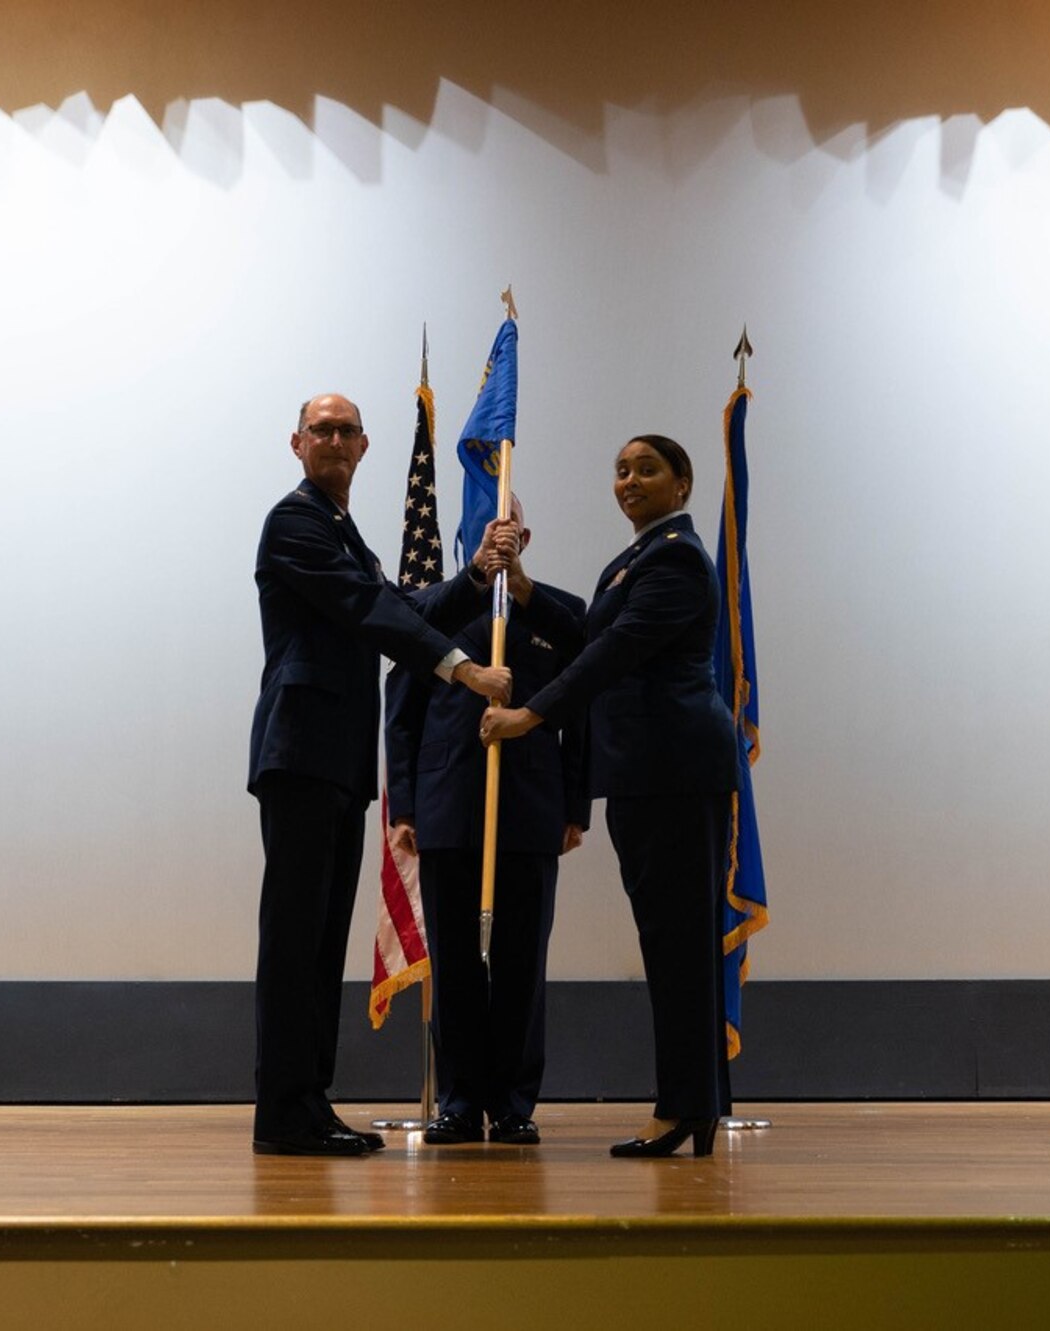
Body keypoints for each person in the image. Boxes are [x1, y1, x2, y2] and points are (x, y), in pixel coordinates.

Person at [249, 392, 511, 1157]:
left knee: (323, 938)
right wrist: (461, 667)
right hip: (299, 753)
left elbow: (402, 600)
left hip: (334, 762)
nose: (333, 439)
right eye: (320, 429)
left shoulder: (344, 535)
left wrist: (476, 573)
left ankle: (307, 1102)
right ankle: (284, 1111)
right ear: (296, 442)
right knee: (296, 939)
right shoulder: (295, 521)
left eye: (346, 430)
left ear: (365, 447)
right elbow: (370, 607)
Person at [479, 435, 738, 1158]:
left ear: (682, 484)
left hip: (676, 773)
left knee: (679, 943)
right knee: (668, 941)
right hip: (643, 777)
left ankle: (685, 1106)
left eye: (646, 468)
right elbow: (594, 632)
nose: (628, 480)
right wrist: (524, 589)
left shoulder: (678, 557)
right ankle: (695, 1103)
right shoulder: (633, 561)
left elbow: (611, 653)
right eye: (620, 469)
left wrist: (531, 715)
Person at [384, 499, 588, 1147]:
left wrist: (576, 806)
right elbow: (403, 715)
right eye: (484, 527)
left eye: (507, 527)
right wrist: (408, 806)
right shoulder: (434, 609)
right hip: (447, 808)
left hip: (530, 809)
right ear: (468, 536)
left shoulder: (561, 613)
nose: (497, 536)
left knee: (522, 962)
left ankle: (514, 1103)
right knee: (456, 963)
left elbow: (584, 708)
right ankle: (460, 1101)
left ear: (526, 535)